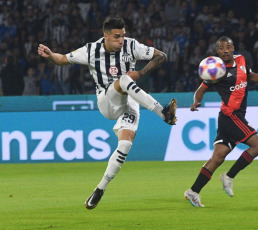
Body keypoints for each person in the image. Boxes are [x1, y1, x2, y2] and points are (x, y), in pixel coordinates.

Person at [38, 17, 177, 210]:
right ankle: (163, 113)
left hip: (131, 102)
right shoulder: (90, 50)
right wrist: (51, 54)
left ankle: (99, 189)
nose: (121, 40)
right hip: (107, 101)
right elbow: (63, 59)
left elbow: (161, 55)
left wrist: (142, 72)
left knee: (126, 144)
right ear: (106, 36)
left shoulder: (131, 46)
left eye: (123, 35)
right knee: (126, 80)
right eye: (116, 36)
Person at [184, 36, 258, 207]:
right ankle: (229, 176)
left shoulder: (241, 59)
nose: (226, 50)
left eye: (228, 47)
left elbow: (249, 76)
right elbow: (201, 89)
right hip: (231, 116)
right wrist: (196, 101)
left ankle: (193, 191)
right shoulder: (216, 70)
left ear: (233, 48)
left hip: (232, 117)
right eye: (222, 48)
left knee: (218, 158)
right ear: (217, 51)